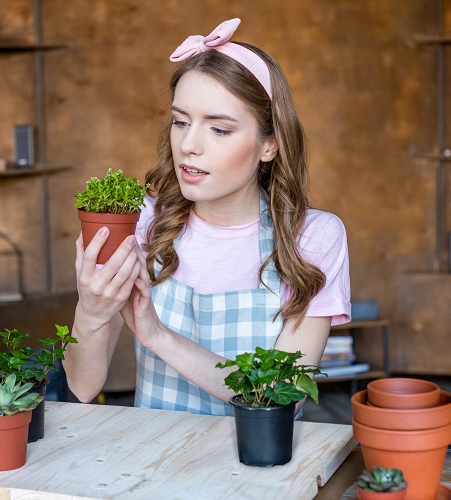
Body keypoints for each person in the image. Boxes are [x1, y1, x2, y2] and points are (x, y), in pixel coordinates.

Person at [64, 18, 350, 416]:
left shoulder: (313, 238)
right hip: (154, 464)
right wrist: (90, 313)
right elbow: (81, 386)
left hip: (260, 467)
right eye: (181, 122)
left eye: (219, 129)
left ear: (270, 145)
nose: (189, 145)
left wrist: (158, 337)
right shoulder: (143, 223)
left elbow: (283, 393)